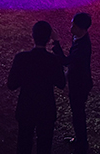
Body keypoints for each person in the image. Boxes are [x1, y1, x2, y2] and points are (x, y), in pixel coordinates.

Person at [7, 20, 66, 154]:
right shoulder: (54, 60)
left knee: (24, 142)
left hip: (26, 106)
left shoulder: (22, 58)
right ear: (48, 38)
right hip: (46, 108)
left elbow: (12, 85)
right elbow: (61, 83)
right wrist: (56, 43)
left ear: (32, 35)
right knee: (44, 145)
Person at [51, 13, 93, 154]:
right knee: (77, 113)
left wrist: (56, 43)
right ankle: (80, 141)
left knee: (78, 114)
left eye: (74, 26)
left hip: (79, 85)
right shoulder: (81, 39)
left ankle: (81, 144)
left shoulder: (82, 47)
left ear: (82, 29)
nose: (71, 28)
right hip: (80, 81)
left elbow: (65, 60)